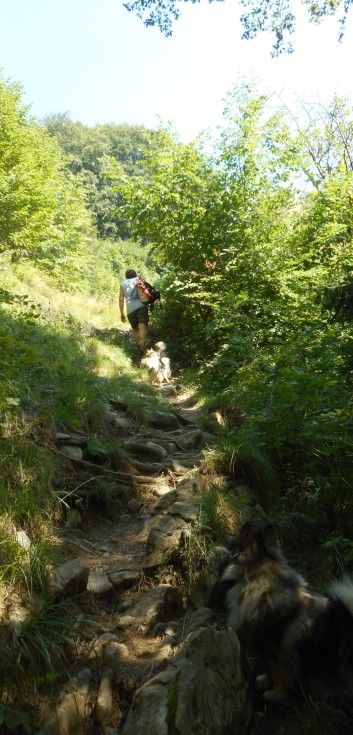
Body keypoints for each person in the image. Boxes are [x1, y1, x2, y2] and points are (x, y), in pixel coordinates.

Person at [119, 269, 150, 351]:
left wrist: (122, 313)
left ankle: (141, 349)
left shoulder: (123, 284)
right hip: (142, 306)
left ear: (126, 276)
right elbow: (147, 292)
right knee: (142, 326)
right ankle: (146, 348)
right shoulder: (140, 280)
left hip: (130, 309)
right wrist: (151, 304)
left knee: (135, 330)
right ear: (135, 274)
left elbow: (121, 299)